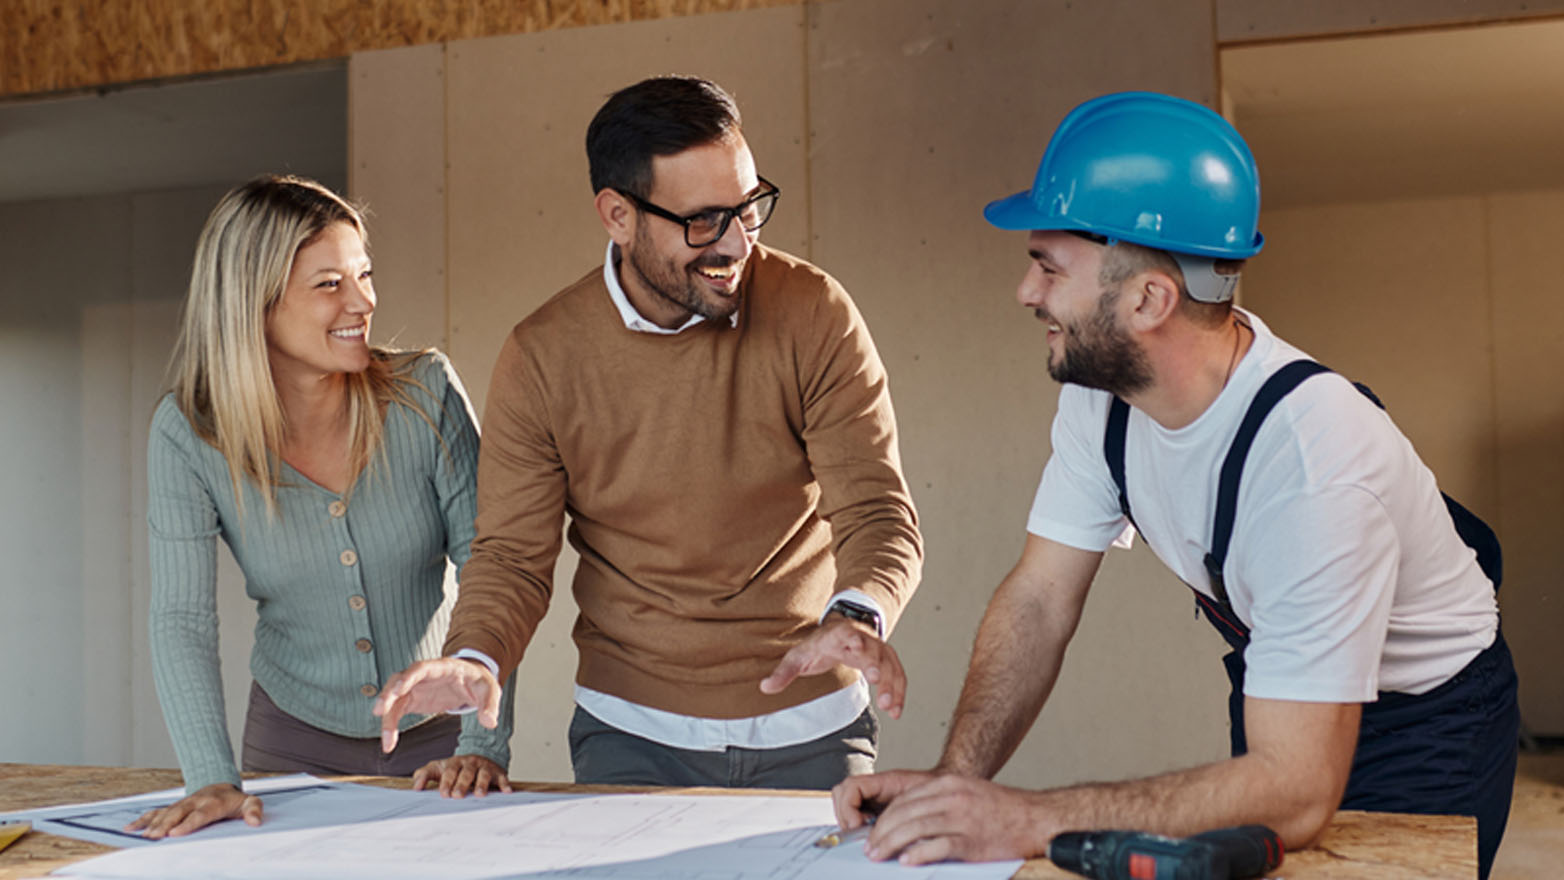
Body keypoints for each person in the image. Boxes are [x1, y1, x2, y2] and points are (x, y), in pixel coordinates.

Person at [832, 91, 1519, 878]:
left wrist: (1023, 819)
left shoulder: (1312, 465)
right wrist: (955, 789)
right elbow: (1040, 598)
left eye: (1048, 266)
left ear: (1150, 298)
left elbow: (1295, 789)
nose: (1027, 293)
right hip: (1283, 694)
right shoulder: (1102, 400)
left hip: (1426, 722)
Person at [372, 75, 922, 790]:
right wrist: (474, 656)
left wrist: (859, 611)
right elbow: (511, 555)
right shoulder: (543, 355)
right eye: (703, 221)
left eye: (748, 209)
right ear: (617, 216)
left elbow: (877, 510)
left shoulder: (813, 311)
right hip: (631, 732)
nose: (736, 243)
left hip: (812, 723)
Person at [130, 175, 516, 839]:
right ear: (254, 303)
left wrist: (481, 746)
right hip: (288, 748)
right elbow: (182, 619)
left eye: (365, 274)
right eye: (329, 283)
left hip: (439, 749)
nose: (363, 301)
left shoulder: (424, 395)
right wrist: (211, 778)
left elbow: (493, 561)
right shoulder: (189, 432)